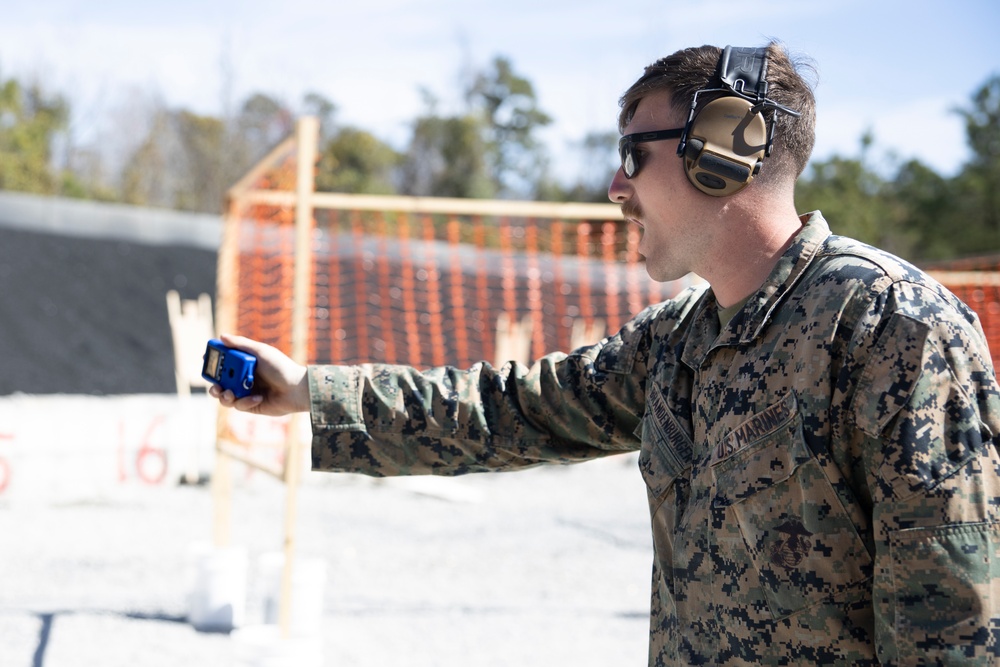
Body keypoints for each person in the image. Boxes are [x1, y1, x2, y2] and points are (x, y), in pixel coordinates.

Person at [211, 43, 1000, 665]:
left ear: (722, 151)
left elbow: (952, 625)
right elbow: (506, 411)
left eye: (633, 155)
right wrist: (309, 390)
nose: (616, 188)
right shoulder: (681, 341)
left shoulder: (890, 328)